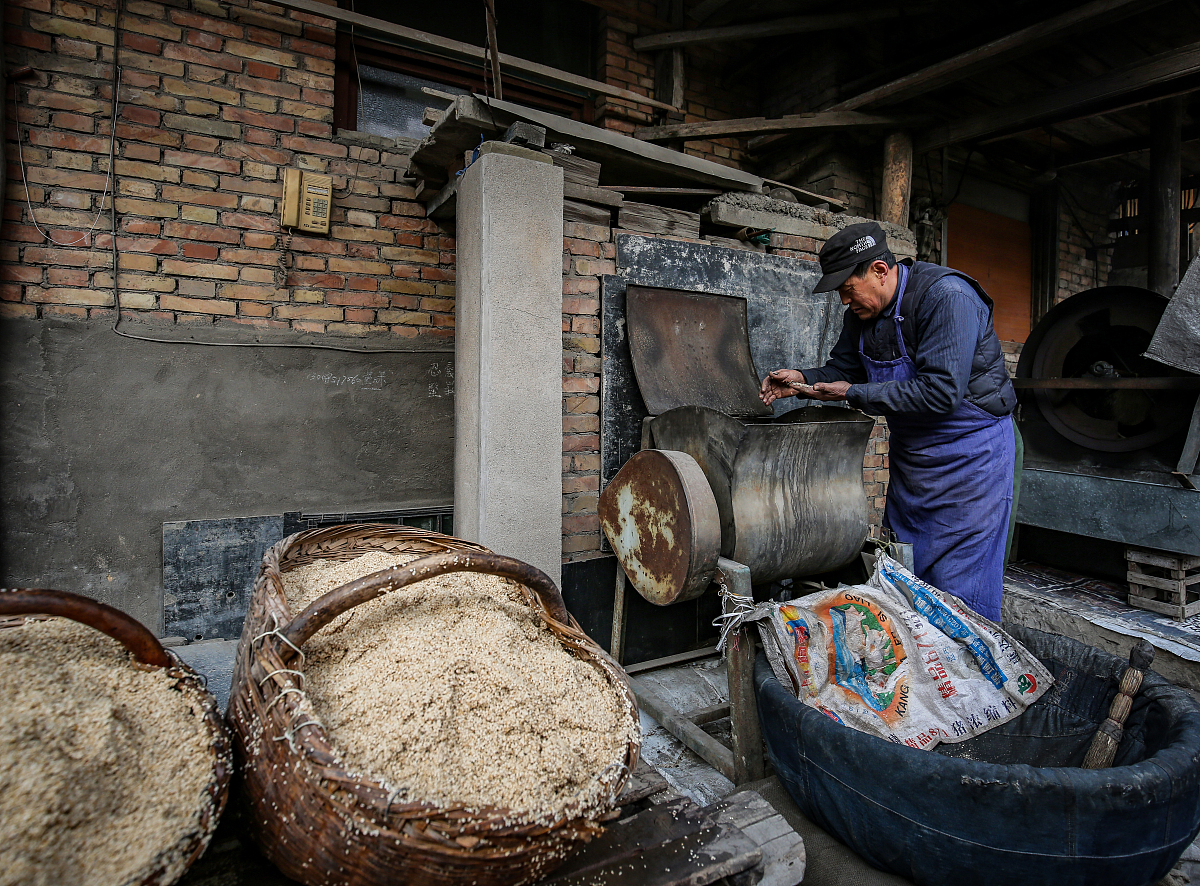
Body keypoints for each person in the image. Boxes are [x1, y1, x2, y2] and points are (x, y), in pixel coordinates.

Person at [760, 221, 1016, 621]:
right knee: (906, 569)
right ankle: (918, 667)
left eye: (848, 289)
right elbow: (844, 369)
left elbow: (940, 393)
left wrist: (851, 393)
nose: (846, 301)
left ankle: (967, 674)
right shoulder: (863, 315)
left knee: (960, 585)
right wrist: (804, 379)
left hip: (970, 459)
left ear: (880, 270)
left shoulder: (948, 298)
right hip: (914, 460)